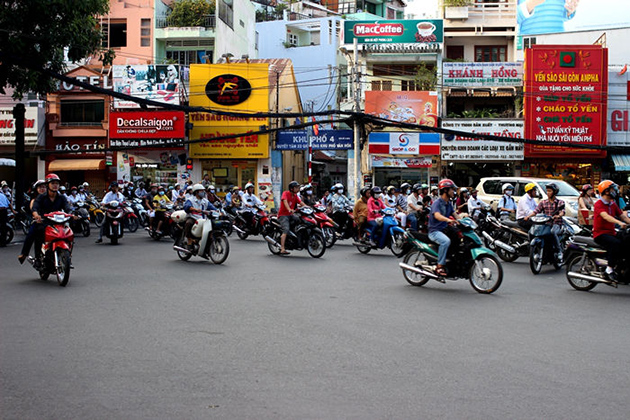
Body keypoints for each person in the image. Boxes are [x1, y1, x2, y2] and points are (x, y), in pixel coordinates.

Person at [592, 180, 630, 281]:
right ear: (607, 191)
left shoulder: (612, 204)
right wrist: (619, 223)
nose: (616, 191)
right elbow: (606, 216)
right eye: (613, 189)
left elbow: (622, 216)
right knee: (616, 244)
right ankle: (609, 270)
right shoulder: (599, 204)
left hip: (611, 232)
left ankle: (622, 268)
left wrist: (627, 222)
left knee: (626, 240)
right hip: (600, 234)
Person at [30, 174, 73, 261]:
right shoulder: (41, 197)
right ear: (48, 185)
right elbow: (35, 208)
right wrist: (36, 215)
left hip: (59, 221)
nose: (55, 185)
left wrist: (72, 214)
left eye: (57, 183)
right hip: (44, 222)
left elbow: (67, 208)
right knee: (38, 233)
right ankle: (38, 258)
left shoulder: (61, 197)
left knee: (69, 233)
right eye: (53, 183)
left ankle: (67, 256)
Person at [525, 182, 566, 262]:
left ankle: (559, 251)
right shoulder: (543, 202)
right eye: (547, 191)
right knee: (532, 231)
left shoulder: (560, 202)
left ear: (554, 192)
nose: (548, 193)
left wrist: (558, 215)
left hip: (556, 223)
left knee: (553, 232)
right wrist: (528, 217)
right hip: (546, 224)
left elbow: (562, 211)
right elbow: (536, 211)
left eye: (550, 191)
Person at [428, 179, 460, 277]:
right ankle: (439, 266)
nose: (453, 192)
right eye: (451, 189)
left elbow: (456, 215)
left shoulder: (448, 203)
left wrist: (464, 219)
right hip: (434, 231)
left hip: (444, 230)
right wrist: (448, 220)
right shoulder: (437, 203)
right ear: (445, 190)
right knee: (445, 241)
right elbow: (437, 215)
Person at [18, 180, 47, 263]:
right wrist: (37, 216)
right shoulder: (35, 200)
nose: (42, 189)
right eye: (40, 187)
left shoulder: (51, 199)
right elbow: (33, 208)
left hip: (51, 222)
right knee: (31, 233)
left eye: (44, 187)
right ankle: (24, 253)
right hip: (39, 222)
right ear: (36, 189)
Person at [183, 184, 216, 248]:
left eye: (203, 191)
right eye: (201, 191)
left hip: (203, 219)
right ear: (196, 192)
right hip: (193, 217)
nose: (203, 192)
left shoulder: (205, 201)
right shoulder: (190, 199)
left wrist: (218, 211)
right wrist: (194, 209)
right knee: (188, 223)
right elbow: (186, 207)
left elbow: (212, 207)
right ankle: (189, 239)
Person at [278, 181, 303, 255]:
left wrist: (308, 207)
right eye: (296, 187)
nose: (298, 189)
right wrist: (289, 209)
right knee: (286, 229)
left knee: (299, 220)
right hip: (283, 215)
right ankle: (282, 248)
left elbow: (301, 203)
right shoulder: (285, 193)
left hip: (291, 214)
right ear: (292, 189)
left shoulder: (295, 196)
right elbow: (285, 201)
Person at [0, 182, 15, 248]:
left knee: (3, 227)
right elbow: (9, 204)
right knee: (3, 227)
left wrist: (13, 211)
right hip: (4, 211)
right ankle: (3, 242)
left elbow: (9, 203)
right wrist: (13, 211)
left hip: (1, 211)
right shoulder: (3, 195)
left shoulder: (4, 195)